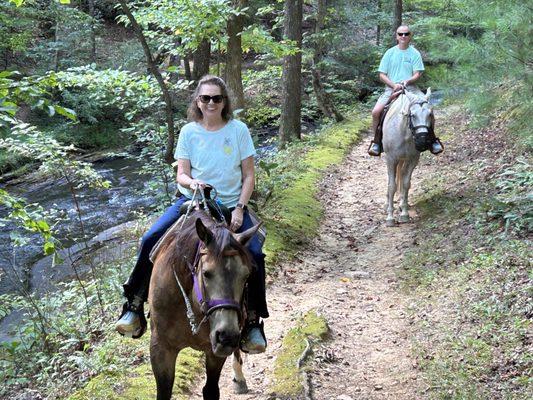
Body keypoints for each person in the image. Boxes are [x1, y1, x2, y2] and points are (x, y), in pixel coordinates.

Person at [115, 75, 268, 354]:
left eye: (217, 98)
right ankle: (134, 305)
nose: (211, 103)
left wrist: (240, 208)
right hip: (192, 202)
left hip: (231, 204)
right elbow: (182, 174)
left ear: (225, 102)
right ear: (197, 101)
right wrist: (192, 182)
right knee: (150, 239)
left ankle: (253, 323)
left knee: (254, 255)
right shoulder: (188, 132)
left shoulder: (238, 130)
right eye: (205, 98)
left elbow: (248, 176)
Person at [368, 25, 443, 156]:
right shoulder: (389, 53)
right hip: (391, 89)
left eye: (406, 34)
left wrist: (407, 81)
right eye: (400, 34)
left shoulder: (414, 53)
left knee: (428, 110)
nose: (403, 36)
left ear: (410, 36)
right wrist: (393, 85)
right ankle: (377, 142)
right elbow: (382, 74)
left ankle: (432, 140)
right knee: (376, 112)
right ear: (396, 36)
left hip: (411, 89)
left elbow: (417, 73)